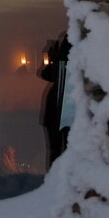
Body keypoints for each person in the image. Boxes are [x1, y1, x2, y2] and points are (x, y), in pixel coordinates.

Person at [39, 32, 73, 167]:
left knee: (56, 150)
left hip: (58, 108)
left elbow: (47, 74)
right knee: (66, 149)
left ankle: (57, 179)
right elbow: (47, 74)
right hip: (65, 108)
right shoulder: (71, 62)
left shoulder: (61, 61)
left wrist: (53, 59)